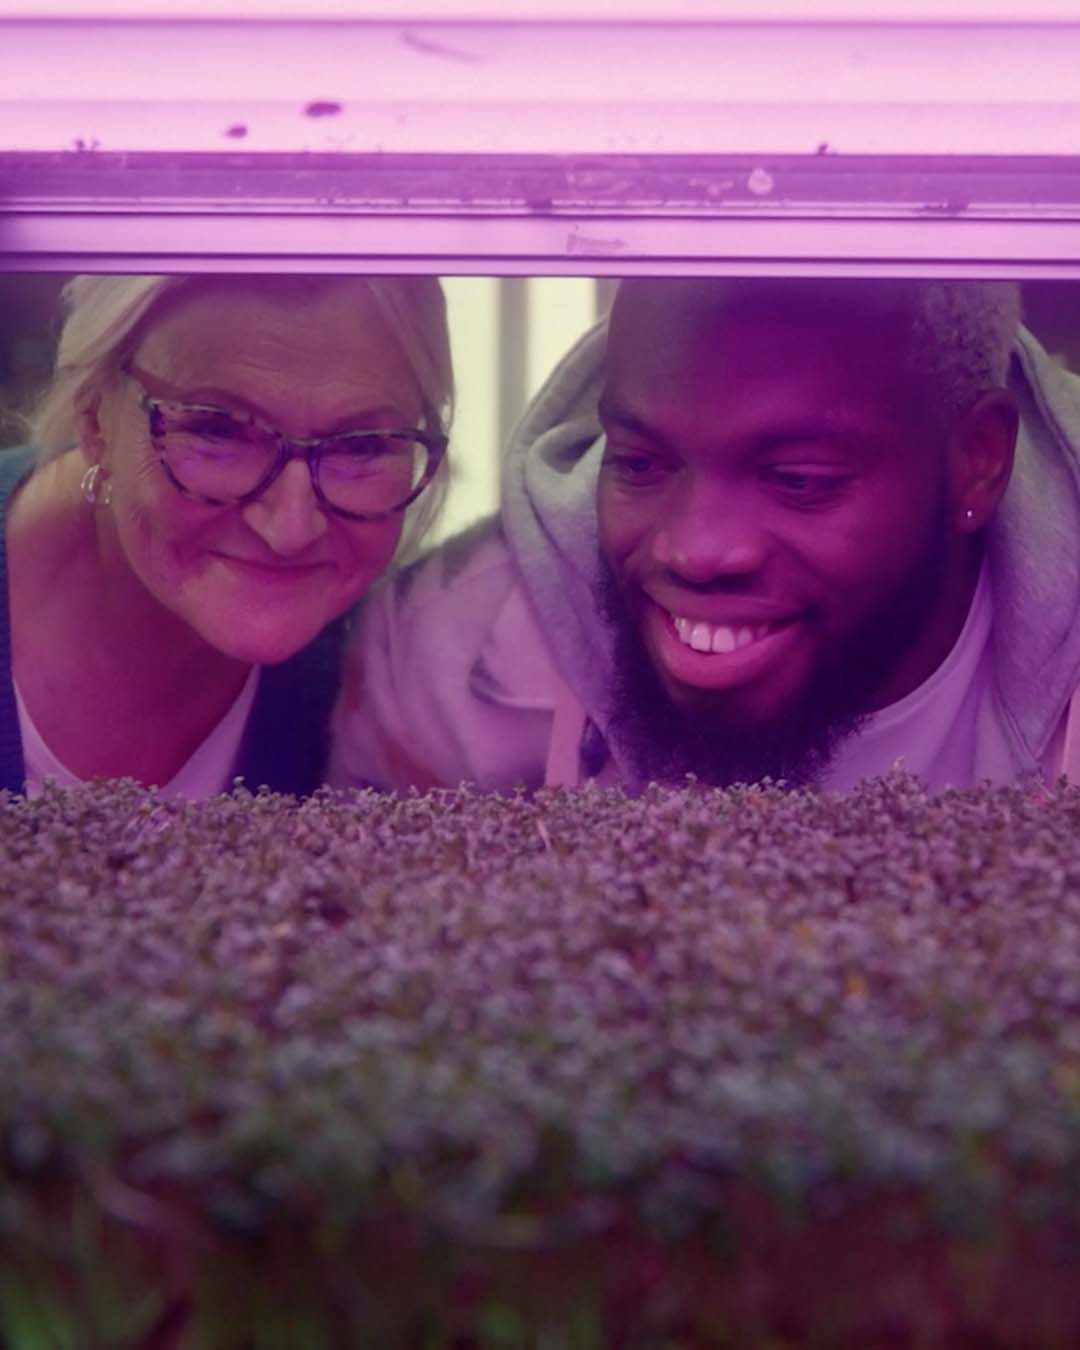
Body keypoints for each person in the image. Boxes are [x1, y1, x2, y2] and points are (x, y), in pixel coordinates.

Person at [329, 275, 1080, 797]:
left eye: (800, 481)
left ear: (978, 463)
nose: (694, 550)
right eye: (640, 464)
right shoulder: (447, 658)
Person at [2, 272, 452, 797]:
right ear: (96, 417)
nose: (291, 530)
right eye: (217, 431)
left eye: (362, 446)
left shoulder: (397, 674)